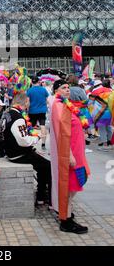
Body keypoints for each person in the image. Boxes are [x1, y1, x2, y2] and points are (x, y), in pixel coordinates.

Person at [50, 79, 90, 234]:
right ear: (56, 91)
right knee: (70, 186)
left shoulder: (66, 104)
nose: (67, 90)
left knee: (77, 182)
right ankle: (66, 221)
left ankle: (67, 214)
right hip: (71, 152)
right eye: (63, 88)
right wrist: (69, 155)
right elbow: (62, 133)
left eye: (68, 87)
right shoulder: (58, 106)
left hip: (78, 151)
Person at [2, 93, 51, 206]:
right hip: (18, 154)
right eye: (28, 102)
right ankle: (41, 196)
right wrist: (38, 137)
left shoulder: (8, 113)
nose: (29, 104)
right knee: (47, 166)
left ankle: (42, 195)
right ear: (25, 103)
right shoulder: (18, 118)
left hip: (11, 151)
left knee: (43, 163)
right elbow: (23, 141)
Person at [89, 79, 114, 150]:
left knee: (102, 129)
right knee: (108, 128)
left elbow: (90, 103)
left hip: (100, 113)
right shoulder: (110, 90)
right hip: (109, 112)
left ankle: (105, 145)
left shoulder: (94, 92)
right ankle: (110, 143)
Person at [27, 76, 49, 150]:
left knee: (30, 127)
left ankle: (31, 143)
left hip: (32, 111)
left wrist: (27, 110)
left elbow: (28, 102)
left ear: (32, 82)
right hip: (42, 110)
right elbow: (47, 100)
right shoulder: (43, 89)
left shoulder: (29, 90)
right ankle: (43, 144)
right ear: (38, 82)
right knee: (43, 125)